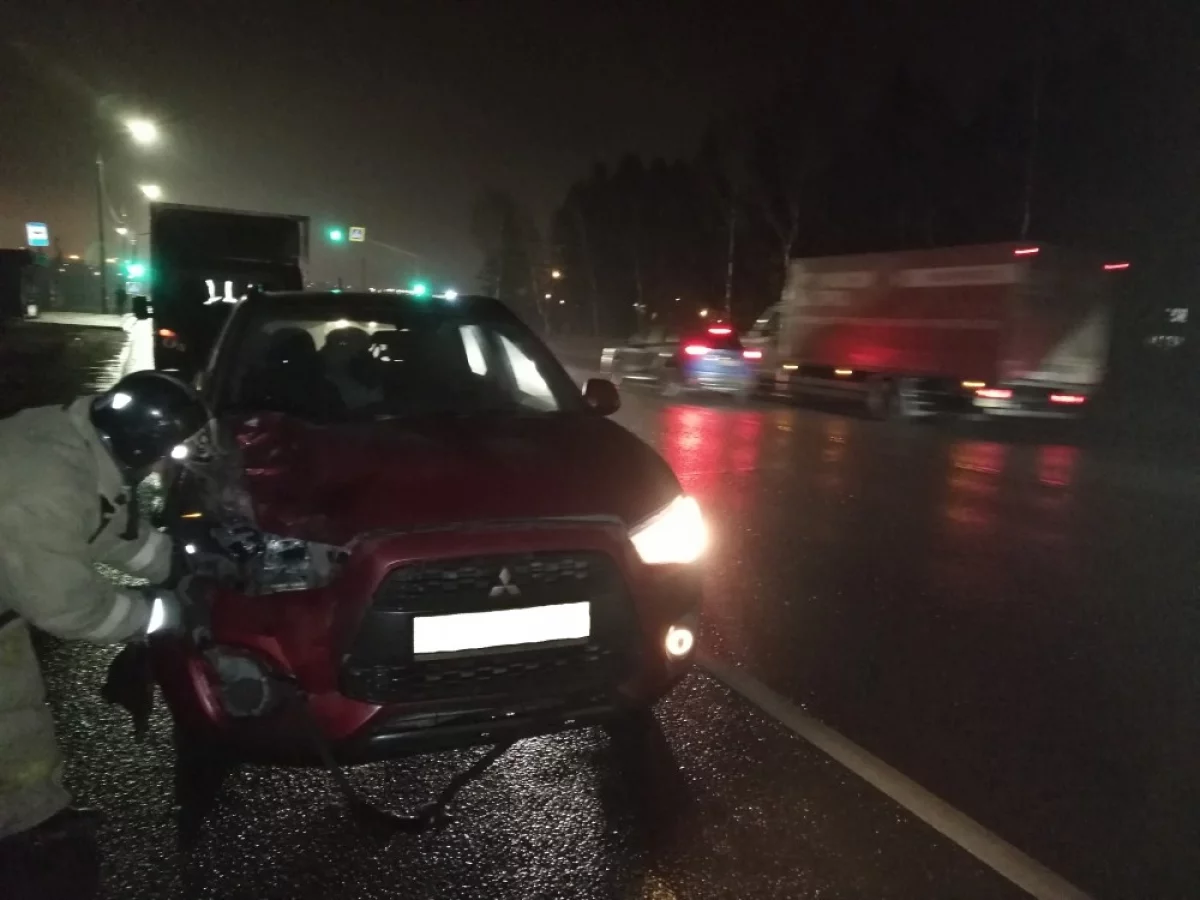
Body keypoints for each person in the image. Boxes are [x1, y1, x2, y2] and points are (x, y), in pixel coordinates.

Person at [0, 371, 209, 893]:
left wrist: (180, 567)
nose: (166, 465)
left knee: (14, 717)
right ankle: (26, 846)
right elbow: (64, 605)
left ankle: (31, 818)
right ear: (140, 445)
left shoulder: (76, 447)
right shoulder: (43, 488)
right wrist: (157, 616)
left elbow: (105, 528)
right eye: (167, 451)